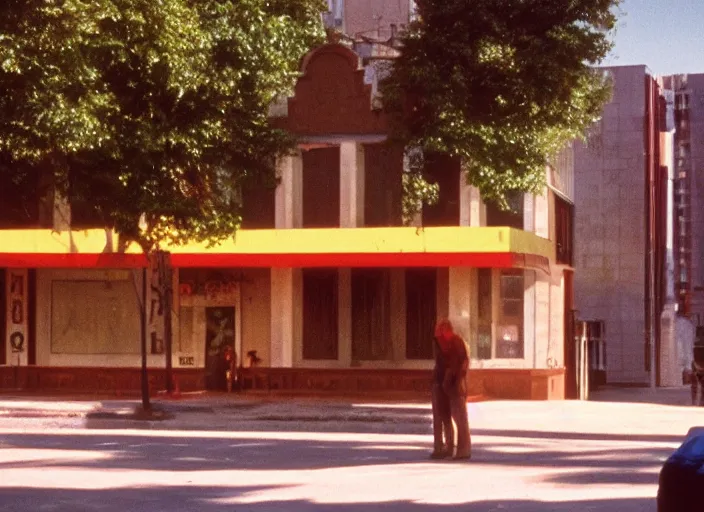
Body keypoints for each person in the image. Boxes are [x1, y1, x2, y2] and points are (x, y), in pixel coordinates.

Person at [431, 319, 471, 460]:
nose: (440, 339)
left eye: (442, 333)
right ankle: (443, 448)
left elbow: (461, 364)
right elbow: (440, 365)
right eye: (438, 336)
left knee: (460, 419)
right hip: (440, 384)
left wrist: (454, 379)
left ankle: (463, 450)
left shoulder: (457, 343)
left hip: (455, 386)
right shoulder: (438, 344)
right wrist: (439, 382)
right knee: (442, 417)